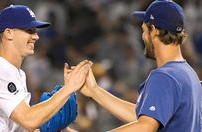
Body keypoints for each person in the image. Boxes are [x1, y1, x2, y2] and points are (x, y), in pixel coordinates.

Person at [79, 0, 202, 131]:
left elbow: (145, 126)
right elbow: (145, 117)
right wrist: (94, 91)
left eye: (144, 30)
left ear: (153, 30)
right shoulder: (189, 74)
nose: (143, 36)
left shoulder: (165, 76)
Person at [0, 5, 90, 132]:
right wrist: (68, 89)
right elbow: (29, 120)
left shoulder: (17, 73)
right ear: (9, 33)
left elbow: (23, 127)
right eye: (29, 30)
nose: (36, 36)